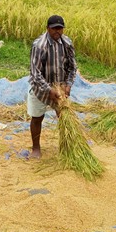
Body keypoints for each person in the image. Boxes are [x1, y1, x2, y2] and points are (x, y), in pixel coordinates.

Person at [28, 15, 77, 159]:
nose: (57, 31)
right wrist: (49, 90)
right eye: (54, 28)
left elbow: (72, 67)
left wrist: (67, 85)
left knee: (63, 117)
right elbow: (35, 73)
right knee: (37, 118)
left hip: (60, 88)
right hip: (41, 89)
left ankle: (66, 145)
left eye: (60, 28)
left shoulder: (67, 43)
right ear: (47, 28)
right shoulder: (39, 45)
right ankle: (36, 148)